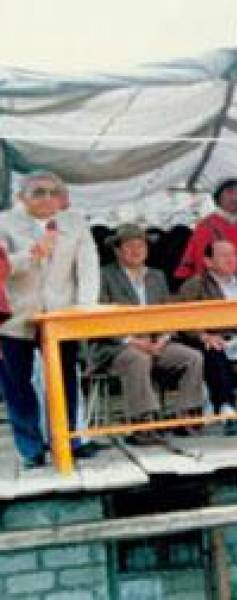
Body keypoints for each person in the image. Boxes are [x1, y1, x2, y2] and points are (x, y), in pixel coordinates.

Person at [0, 171, 100, 467]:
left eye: (52, 192)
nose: (46, 198)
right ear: (22, 196)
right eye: (38, 192)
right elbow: (2, 268)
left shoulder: (75, 223)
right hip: (15, 317)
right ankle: (31, 449)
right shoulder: (5, 223)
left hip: (60, 314)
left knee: (66, 379)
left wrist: (84, 309)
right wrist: (33, 253)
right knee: (17, 384)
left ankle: (70, 439)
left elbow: (88, 269)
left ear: (61, 197)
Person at [93, 224, 206, 443]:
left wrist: (163, 339)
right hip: (118, 346)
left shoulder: (157, 276)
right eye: (129, 246)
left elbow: (167, 314)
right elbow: (101, 317)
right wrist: (132, 341)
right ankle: (143, 424)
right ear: (117, 250)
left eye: (141, 245)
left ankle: (186, 416)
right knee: (138, 358)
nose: (136, 250)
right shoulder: (104, 276)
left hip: (156, 342)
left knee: (193, 357)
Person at [177, 240, 237, 435]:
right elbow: (181, 318)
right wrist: (203, 336)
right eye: (223, 256)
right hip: (216, 338)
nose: (231, 260)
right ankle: (227, 408)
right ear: (208, 261)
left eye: (233, 255)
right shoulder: (195, 286)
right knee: (214, 351)